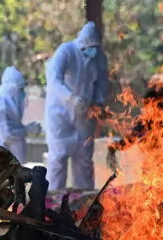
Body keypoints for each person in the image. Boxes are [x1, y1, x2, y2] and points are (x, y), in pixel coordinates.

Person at [44, 21, 109, 191]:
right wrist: (70, 98)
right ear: (81, 43)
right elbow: (53, 79)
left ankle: (84, 201)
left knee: (84, 161)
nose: (92, 50)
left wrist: (98, 104)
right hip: (60, 114)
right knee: (58, 159)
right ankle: (53, 200)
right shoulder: (66, 51)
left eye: (95, 46)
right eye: (89, 46)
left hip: (84, 114)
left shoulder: (98, 57)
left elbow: (102, 84)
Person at [106, 87, 163, 189]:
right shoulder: (153, 121)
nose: (145, 109)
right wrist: (113, 147)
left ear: (153, 104)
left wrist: (114, 148)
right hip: (158, 174)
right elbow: (128, 141)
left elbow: (128, 141)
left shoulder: (157, 121)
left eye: (146, 105)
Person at [0, 66, 41, 163]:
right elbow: (6, 136)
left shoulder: (8, 106)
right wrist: (27, 129)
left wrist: (28, 128)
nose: (23, 93)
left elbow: (15, 129)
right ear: (12, 89)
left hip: (9, 160)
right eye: (20, 89)